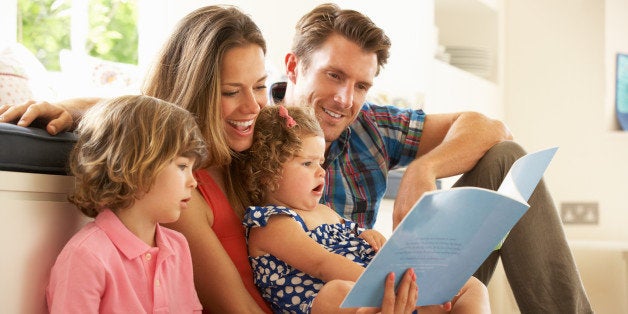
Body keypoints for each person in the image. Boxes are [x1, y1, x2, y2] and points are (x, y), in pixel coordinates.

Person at [1, 5, 420, 314]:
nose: (252, 106)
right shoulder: (179, 191)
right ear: (196, 91)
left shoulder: (252, 150)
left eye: (258, 86)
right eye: (229, 91)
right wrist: (71, 111)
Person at [272, 3, 592, 313]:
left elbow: (492, 128)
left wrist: (424, 168)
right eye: (334, 75)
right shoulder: (253, 134)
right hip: (324, 298)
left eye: (361, 86)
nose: (345, 100)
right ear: (293, 66)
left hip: (392, 288)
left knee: (506, 157)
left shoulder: (369, 126)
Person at [238, 105, 490, 313]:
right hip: (335, 298)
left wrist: (370, 237)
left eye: (321, 162)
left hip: (375, 286)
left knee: (471, 285)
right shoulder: (271, 223)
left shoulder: (325, 211)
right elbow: (322, 264)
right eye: (307, 163)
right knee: (335, 292)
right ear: (267, 174)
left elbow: (355, 235)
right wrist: (384, 287)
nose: (321, 171)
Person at [46, 95, 206, 313]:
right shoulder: (85, 256)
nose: (193, 182)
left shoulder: (177, 247)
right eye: (182, 166)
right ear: (137, 166)